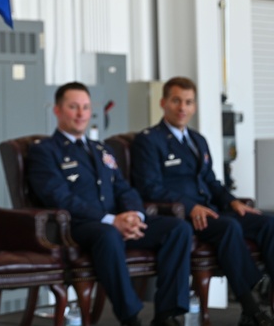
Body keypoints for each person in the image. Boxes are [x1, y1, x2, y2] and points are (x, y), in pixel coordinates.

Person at [133, 76, 274, 326]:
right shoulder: (149, 140)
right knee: (228, 228)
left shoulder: (198, 140)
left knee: (271, 224)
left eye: (188, 102)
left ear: (194, 106)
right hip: (181, 216)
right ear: (163, 103)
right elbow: (149, 187)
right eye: (176, 101)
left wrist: (232, 202)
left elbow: (211, 182)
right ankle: (250, 309)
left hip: (212, 210)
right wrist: (190, 207)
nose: (182, 108)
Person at [28, 82, 192, 326]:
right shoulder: (45, 151)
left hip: (116, 222)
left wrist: (134, 215)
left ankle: (167, 315)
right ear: (57, 110)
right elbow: (58, 197)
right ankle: (130, 317)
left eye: (85, 107)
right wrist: (111, 220)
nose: (81, 113)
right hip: (78, 225)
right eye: (73, 107)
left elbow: (123, 188)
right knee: (108, 235)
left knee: (178, 229)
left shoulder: (100, 149)